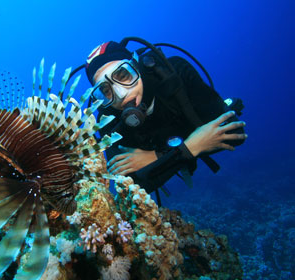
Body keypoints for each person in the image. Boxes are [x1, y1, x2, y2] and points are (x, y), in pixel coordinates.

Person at [84, 39, 247, 194]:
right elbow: (131, 186)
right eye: (105, 91)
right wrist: (191, 147)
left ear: (136, 65)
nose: (120, 94)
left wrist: (157, 157)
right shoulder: (107, 120)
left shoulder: (174, 71)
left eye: (123, 75)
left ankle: (225, 103)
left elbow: (235, 135)